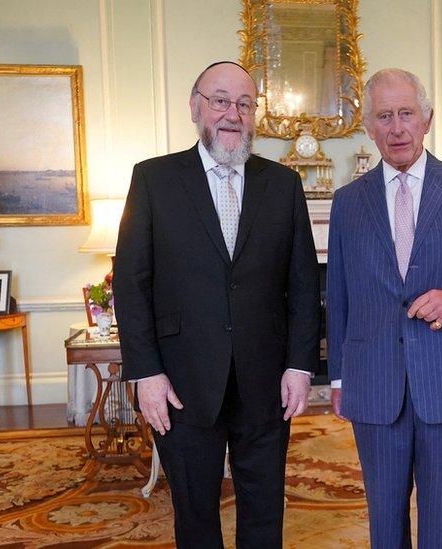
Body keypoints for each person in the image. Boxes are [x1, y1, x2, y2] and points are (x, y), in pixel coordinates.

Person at [113, 61, 320, 549]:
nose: (233, 114)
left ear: (255, 116)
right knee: (196, 516)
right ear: (195, 107)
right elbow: (131, 282)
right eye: (220, 100)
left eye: (245, 104)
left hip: (265, 382)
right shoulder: (153, 179)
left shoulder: (283, 184)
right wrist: (145, 372)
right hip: (180, 384)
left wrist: (299, 365)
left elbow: (304, 284)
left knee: (266, 512)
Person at [325, 68, 442, 548]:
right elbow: (340, 294)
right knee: (384, 522)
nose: (397, 127)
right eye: (384, 116)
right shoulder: (348, 202)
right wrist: (340, 379)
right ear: (368, 127)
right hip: (374, 384)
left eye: (406, 113)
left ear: (427, 118)